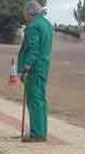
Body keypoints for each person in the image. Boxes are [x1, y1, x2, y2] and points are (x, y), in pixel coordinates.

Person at [17, 1, 53, 142]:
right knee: (41, 100)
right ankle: (41, 130)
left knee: (34, 100)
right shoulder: (47, 24)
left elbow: (33, 49)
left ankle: (37, 133)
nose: (25, 17)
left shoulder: (33, 27)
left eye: (25, 14)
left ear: (30, 13)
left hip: (34, 68)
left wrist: (26, 66)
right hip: (43, 66)